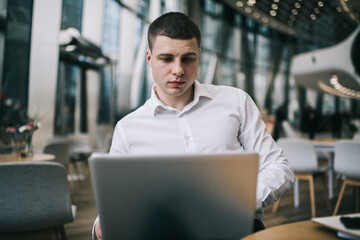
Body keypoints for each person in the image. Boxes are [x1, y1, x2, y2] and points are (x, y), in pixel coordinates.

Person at [93, 12, 294, 240]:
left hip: (238, 226)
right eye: (167, 59)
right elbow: (117, 197)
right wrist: (103, 222)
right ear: (149, 58)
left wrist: (239, 201)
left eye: (187, 59)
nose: (178, 70)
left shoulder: (236, 101)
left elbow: (279, 167)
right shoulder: (128, 128)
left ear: (198, 56)